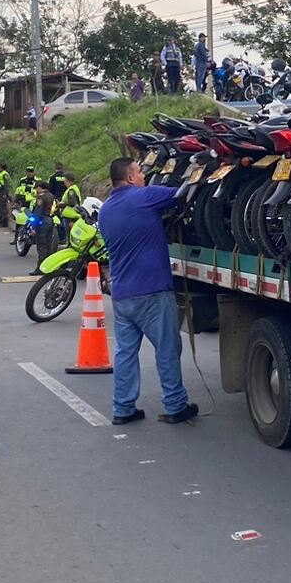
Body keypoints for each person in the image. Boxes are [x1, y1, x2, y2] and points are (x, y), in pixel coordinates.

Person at [98, 156, 196, 426]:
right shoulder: (145, 197)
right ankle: (176, 405)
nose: (144, 177)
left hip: (122, 295)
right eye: (140, 172)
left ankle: (123, 408)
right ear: (130, 178)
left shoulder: (105, 210)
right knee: (167, 349)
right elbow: (183, 192)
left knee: (125, 353)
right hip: (152, 291)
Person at [0, 163, 12, 227]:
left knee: (3, 208)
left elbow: (6, 185)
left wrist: (5, 194)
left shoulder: (4, 174)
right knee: (0, 207)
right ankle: (1, 221)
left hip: (2, 192)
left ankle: (4, 223)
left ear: (1, 167)